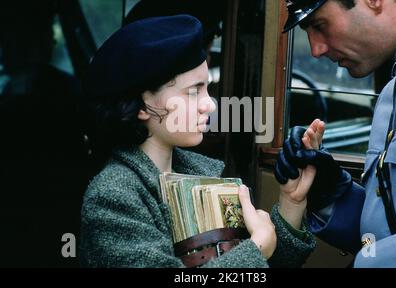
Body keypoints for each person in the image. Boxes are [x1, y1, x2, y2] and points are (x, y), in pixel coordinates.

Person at [79, 14, 316, 267]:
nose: (209, 104)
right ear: (142, 105)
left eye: (206, 88)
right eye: (193, 92)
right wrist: (256, 248)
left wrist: (292, 203)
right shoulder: (113, 197)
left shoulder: (197, 173)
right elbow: (253, 259)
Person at [255, 0, 396, 267]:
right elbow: (391, 231)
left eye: (320, 25)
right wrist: (329, 193)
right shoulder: (394, 91)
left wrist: (366, 264)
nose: (315, 50)